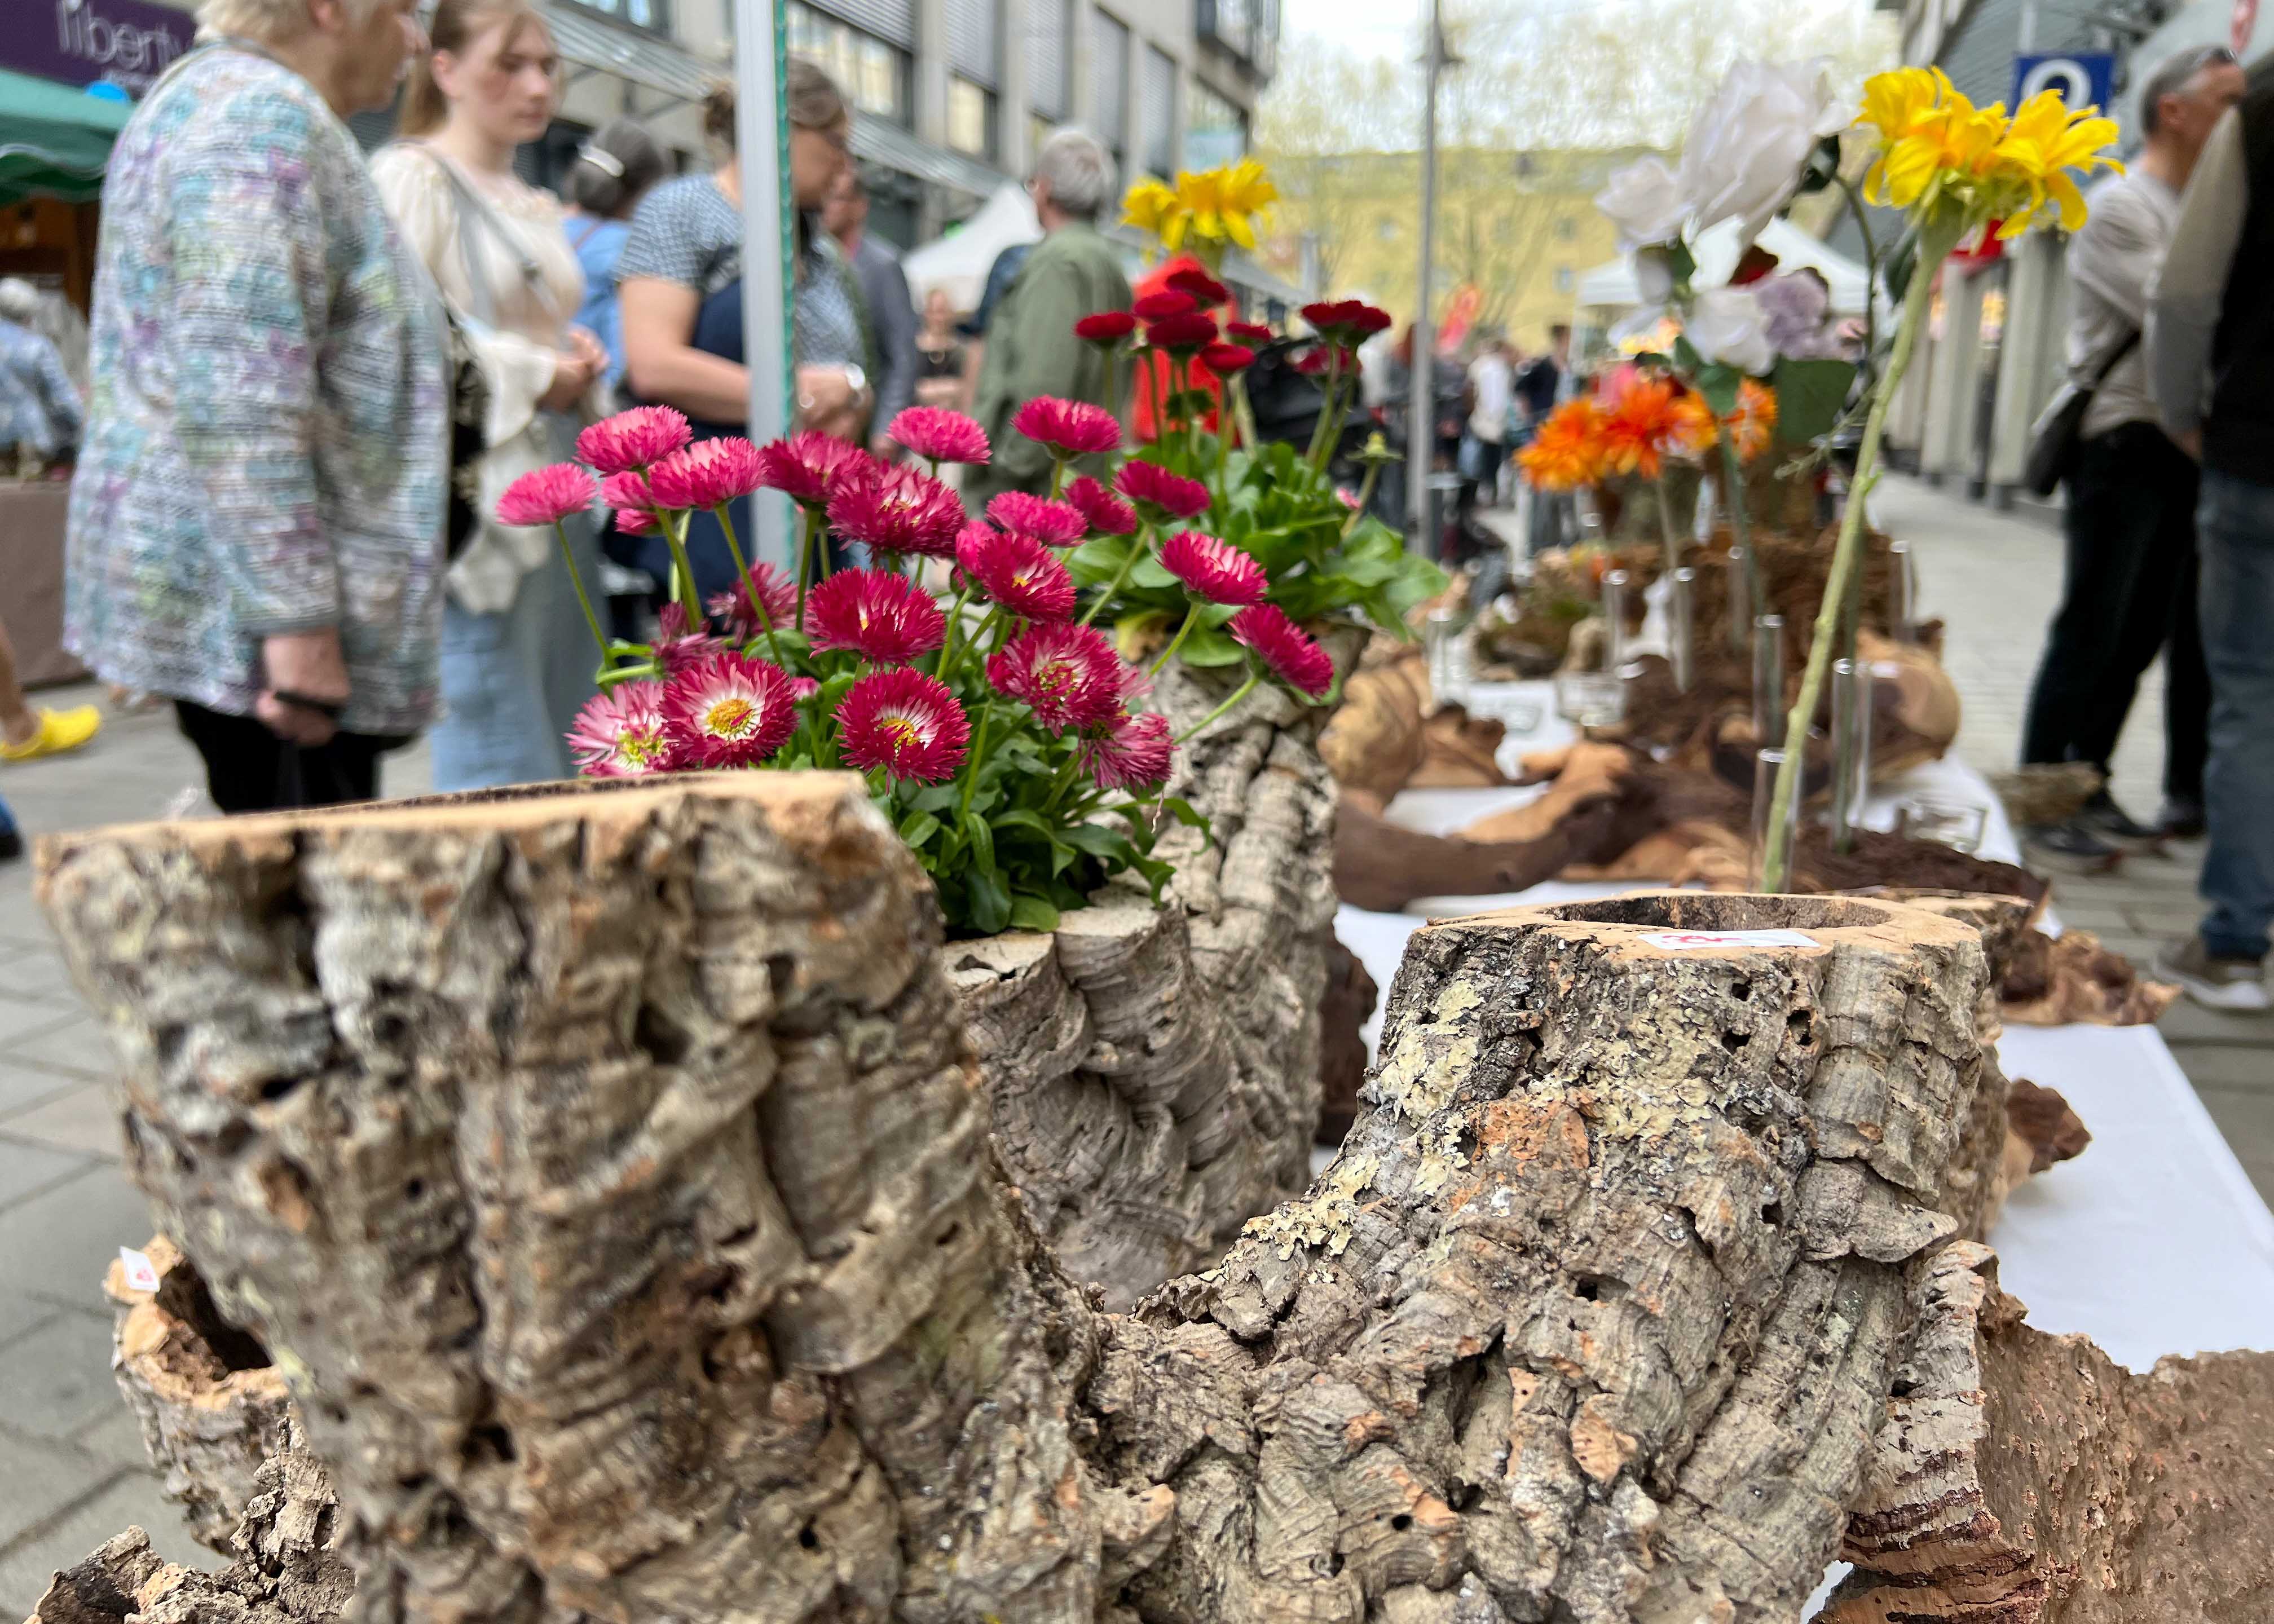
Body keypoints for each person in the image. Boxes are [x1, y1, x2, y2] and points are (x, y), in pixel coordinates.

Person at [67, 0, 445, 817]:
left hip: (249, 605)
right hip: (264, 636)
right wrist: (296, 623)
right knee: (307, 874)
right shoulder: (254, 120)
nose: (416, 40)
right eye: (403, 10)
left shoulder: (229, 104)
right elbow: (243, 393)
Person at [371, 0, 609, 792]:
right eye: (509, 65)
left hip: (552, 481)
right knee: (499, 732)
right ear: (444, 69)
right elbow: (399, 339)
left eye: (546, 66)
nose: (537, 87)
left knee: (564, 714)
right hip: (483, 497)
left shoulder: (523, 193)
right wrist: (539, 370)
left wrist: (571, 353)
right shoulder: (413, 179)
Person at [2020, 44, 2242, 866]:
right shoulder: (2122, 207)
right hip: (2123, 444)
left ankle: (2090, 783)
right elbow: (2185, 317)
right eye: (2227, 100)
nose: (2241, 117)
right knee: (2093, 623)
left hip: (2180, 446)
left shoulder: (2195, 208)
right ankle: (2042, 797)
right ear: (2174, 111)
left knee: (2140, 632)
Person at [618, 69, 869, 602]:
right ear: (786, 127)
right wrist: (797, 396)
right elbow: (654, 365)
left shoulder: (818, 248)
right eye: (836, 142)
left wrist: (850, 388)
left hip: (811, 515)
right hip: (716, 512)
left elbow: (851, 369)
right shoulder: (683, 211)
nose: (845, 166)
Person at [2148, 52, 2274, 1011]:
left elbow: (2186, 290)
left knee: (2251, 698)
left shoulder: (2262, 109)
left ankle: (2233, 948)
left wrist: (2182, 410)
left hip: (2258, 449)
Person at [964, 127, 1131, 506]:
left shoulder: (1057, 262)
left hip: (1039, 495)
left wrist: (1006, 470)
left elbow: (1042, 383)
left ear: (1045, 188)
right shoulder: (1109, 263)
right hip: (1086, 484)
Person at [563, 118, 668, 403]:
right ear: (646, 191)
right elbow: (624, 361)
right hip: (589, 403)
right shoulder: (632, 247)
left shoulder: (540, 224)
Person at [823, 167, 918, 458]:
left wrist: (887, 429)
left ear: (860, 206)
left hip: (870, 429)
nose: (827, 206)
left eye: (837, 198)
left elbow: (903, 355)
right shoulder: (817, 260)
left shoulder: (882, 266)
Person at [0, 290, 83, 470]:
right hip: (30, 439)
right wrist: (84, 423)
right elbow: (62, 395)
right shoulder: (37, 346)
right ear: (29, 314)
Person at [1463, 334, 1514, 513]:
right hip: (1490, 421)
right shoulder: (1499, 368)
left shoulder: (1483, 367)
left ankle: (1483, 494)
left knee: (1483, 460)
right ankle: (1487, 493)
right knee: (1488, 460)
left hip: (1484, 420)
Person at [914, 286, 968, 410]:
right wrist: (949, 387)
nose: (938, 318)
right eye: (933, 311)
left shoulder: (962, 350)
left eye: (942, 311)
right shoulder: (913, 350)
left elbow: (968, 386)